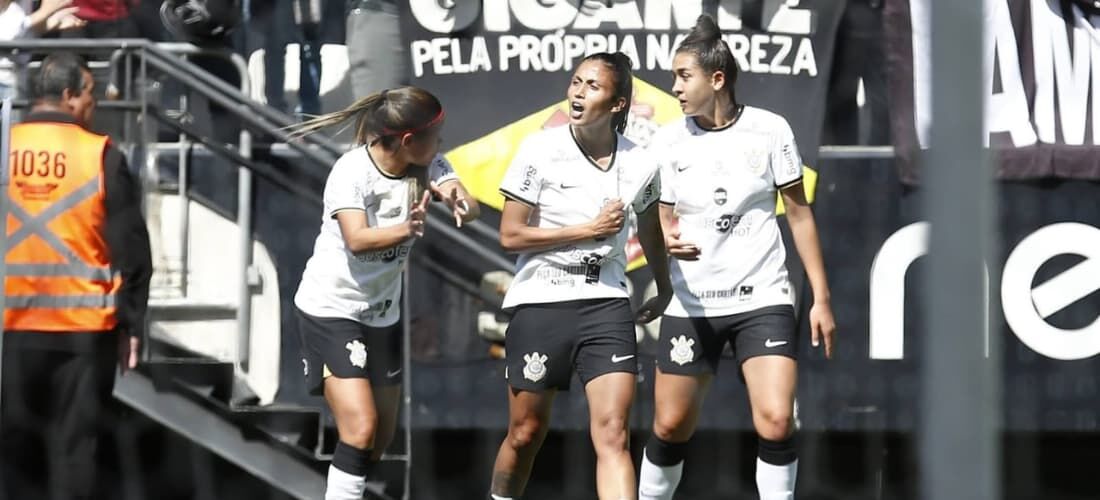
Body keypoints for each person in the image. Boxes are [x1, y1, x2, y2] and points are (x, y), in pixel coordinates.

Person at [637, 15, 836, 500]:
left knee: (774, 418)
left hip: (762, 298)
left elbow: (799, 214)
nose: (676, 88)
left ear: (717, 79)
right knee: (669, 425)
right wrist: (665, 241)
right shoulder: (667, 140)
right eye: (674, 78)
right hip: (692, 304)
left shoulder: (770, 130)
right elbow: (655, 220)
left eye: (684, 77)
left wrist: (821, 299)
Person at [489, 52, 672, 500]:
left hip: (607, 305)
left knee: (614, 436)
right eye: (576, 82)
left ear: (617, 104)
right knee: (525, 433)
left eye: (592, 86)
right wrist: (586, 230)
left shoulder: (641, 163)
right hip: (541, 302)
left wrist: (665, 287)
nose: (577, 92)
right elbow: (510, 236)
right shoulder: (539, 149)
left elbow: (650, 229)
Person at [290, 86, 480, 500]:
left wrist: (460, 201)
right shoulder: (351, 171)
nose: (442, 145)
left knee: (380, 438)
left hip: (384, 317)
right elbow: (356, 239)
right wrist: (405, 229)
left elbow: (462, 195)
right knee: (360, 430)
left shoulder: (429, 163)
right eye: (437, 136)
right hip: (332, 310)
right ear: (409, 140)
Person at [1, 52, 152, 500]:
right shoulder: (100, 154)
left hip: (10, 328)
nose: (94, 104)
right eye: (89, 94)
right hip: (83, 334)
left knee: (13, 450)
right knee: (76, 451)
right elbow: (132, 250)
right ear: (68, 97)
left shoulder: (4, 145)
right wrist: (132, 323)